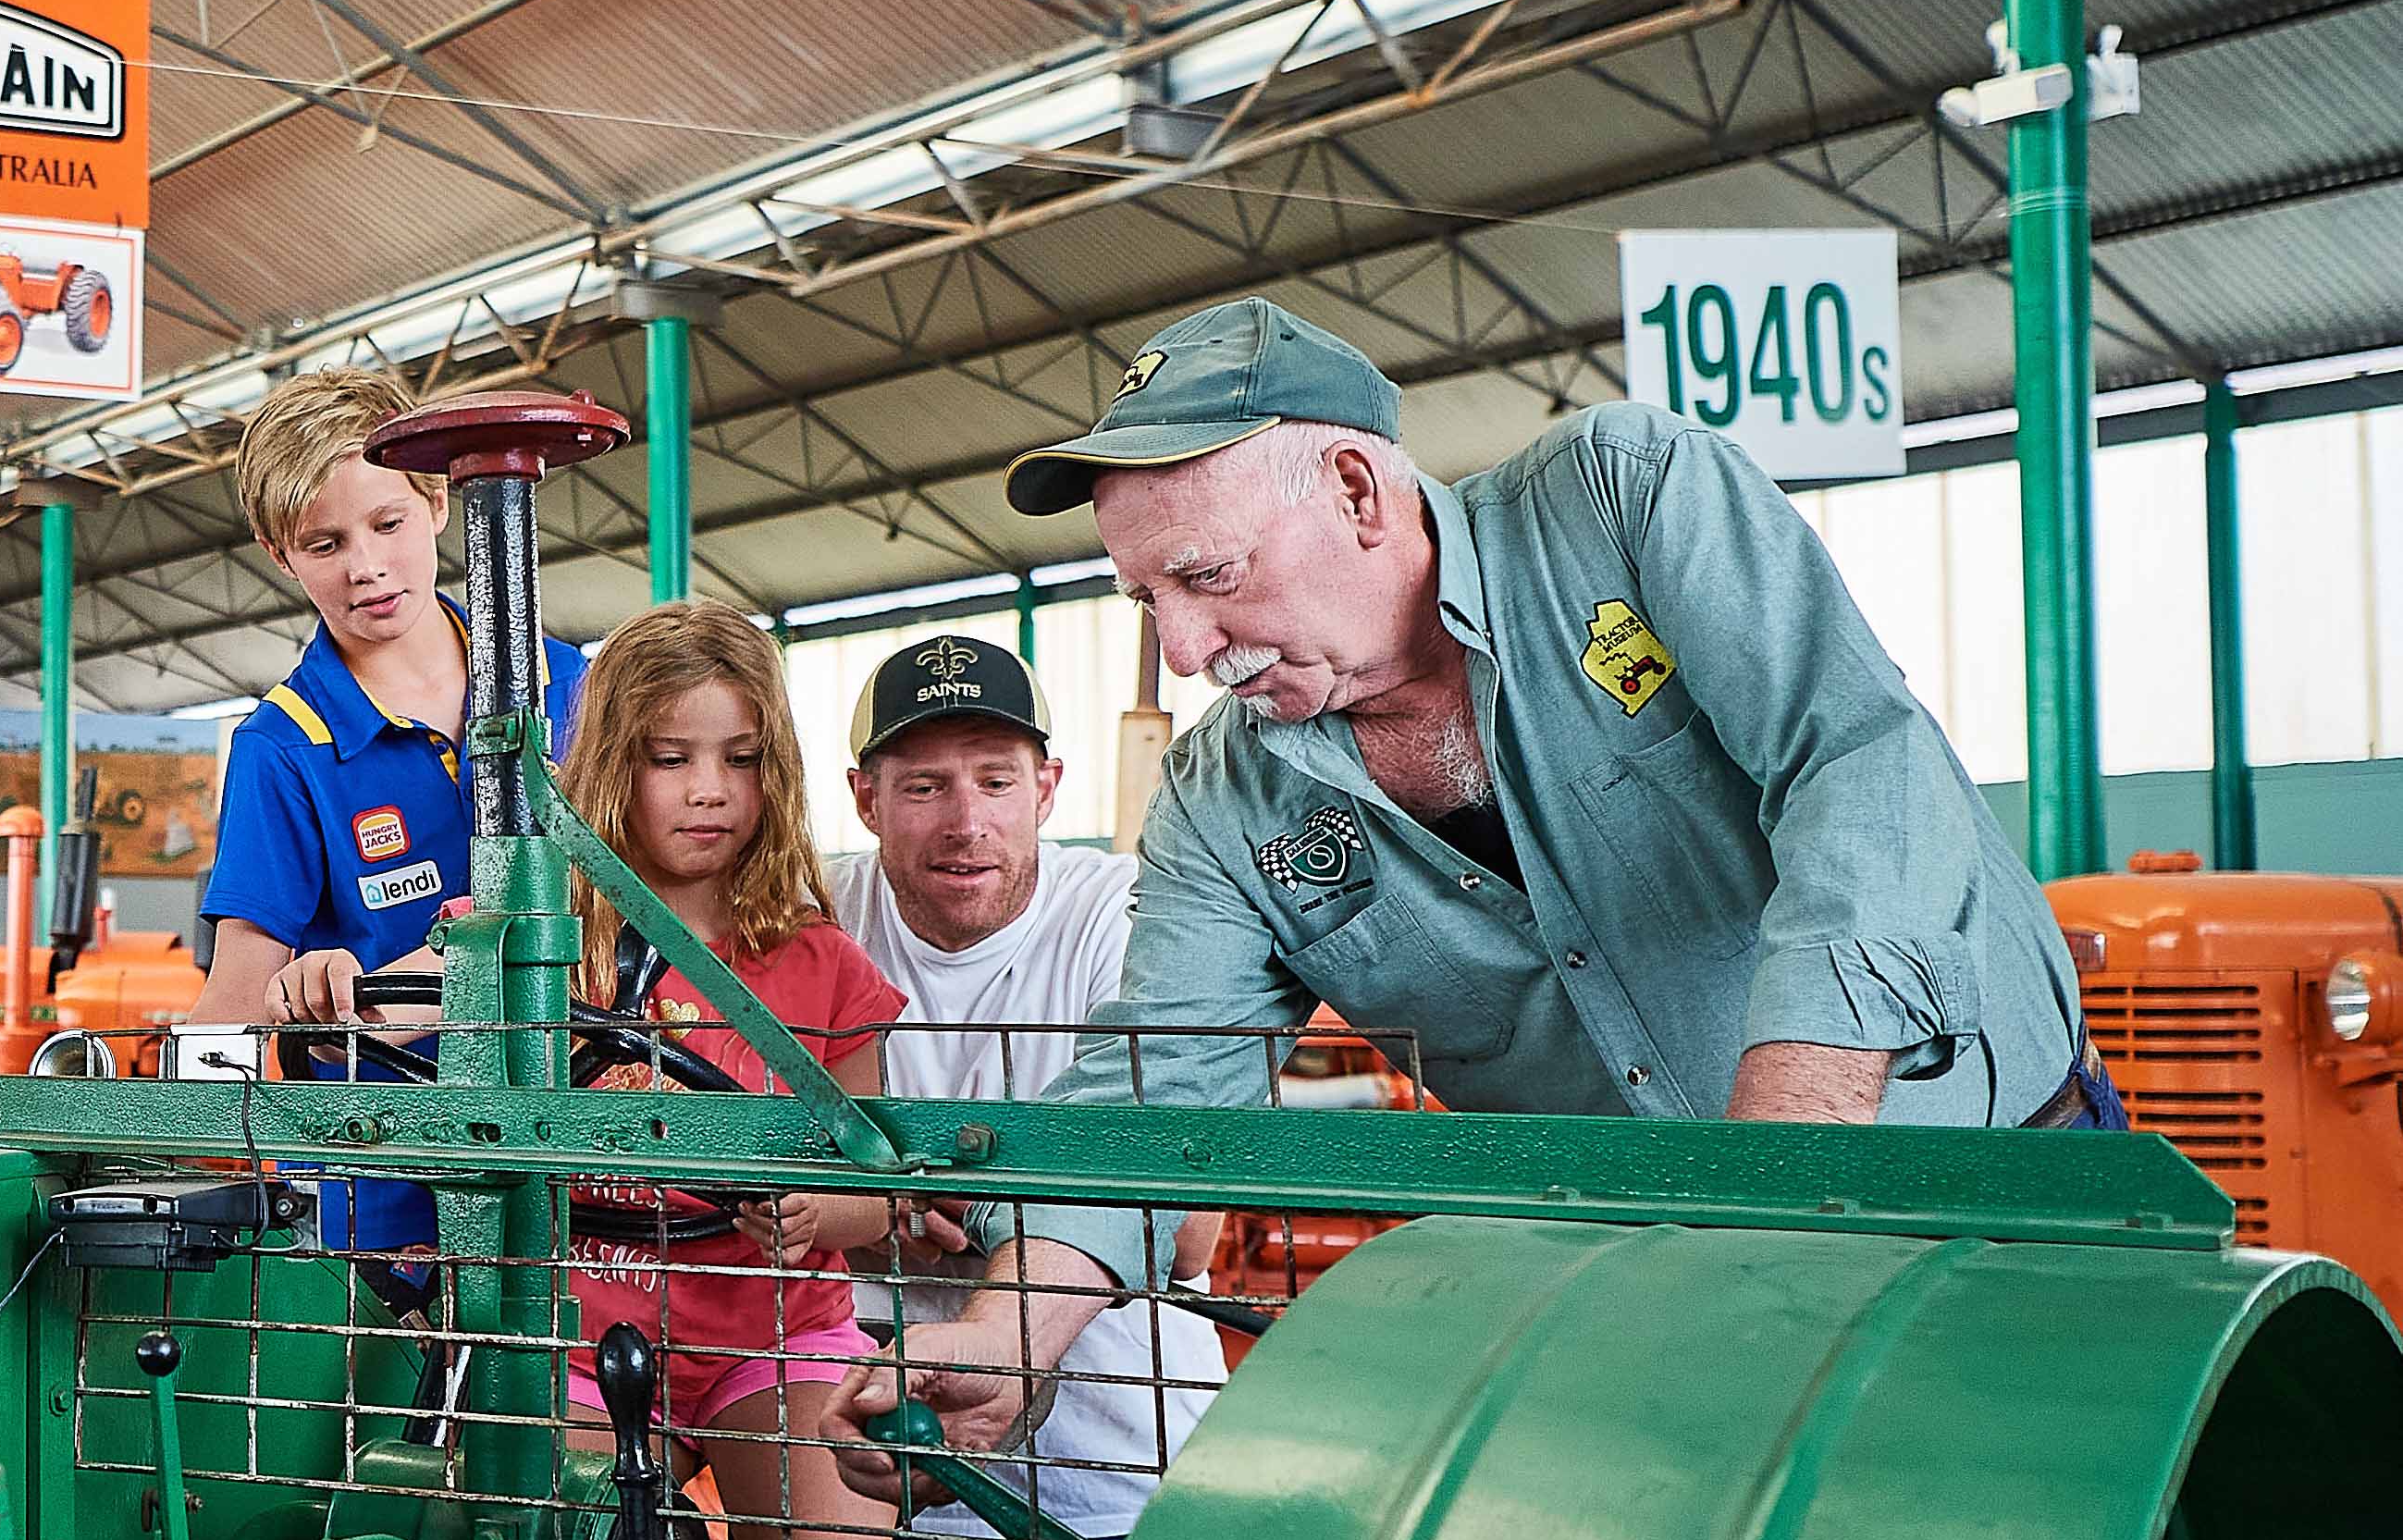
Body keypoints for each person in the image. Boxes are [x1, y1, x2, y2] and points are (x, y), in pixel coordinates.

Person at [863, 294, 2107, 1461]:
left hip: (1996, 1213)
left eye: (1206, 576)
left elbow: (1855, 765)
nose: (1183, 648)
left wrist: (1776, 1184)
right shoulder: (1221, 800)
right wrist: (1009, 1326)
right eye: (1145, 600)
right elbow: (1167, 1077)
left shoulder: (1625, 506)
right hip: (1669, 1303)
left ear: (1357, 489)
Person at [541, 603, 935, 1540]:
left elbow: (889, 1192)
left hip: (778, 1333)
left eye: (741, 755)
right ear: (609, 768)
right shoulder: (540, 950)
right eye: (669, 756)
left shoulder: (819, 963)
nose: (710, 789)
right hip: (590, 1329)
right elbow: (404, 1021)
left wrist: (827, 1209)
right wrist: (321, 982)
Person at [818, 634, 1229, 1540]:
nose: (964, 819)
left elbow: (1188, 1223)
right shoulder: (815, 917)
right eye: (924, 783)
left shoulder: (1125, 916)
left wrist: (893, 1202)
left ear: (1048, 786)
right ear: (863, 799)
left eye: (995, 779)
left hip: (1130, 1476)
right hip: (914, 1491)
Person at [191, 366, 590, 1252]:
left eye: (387, 523)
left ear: (441, 501)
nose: (366, 567)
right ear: (275, 553)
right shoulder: (283, 746)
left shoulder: (572, 689)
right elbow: (238, 992)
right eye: (322, 543)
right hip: (375, 1191)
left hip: (578, 1160)